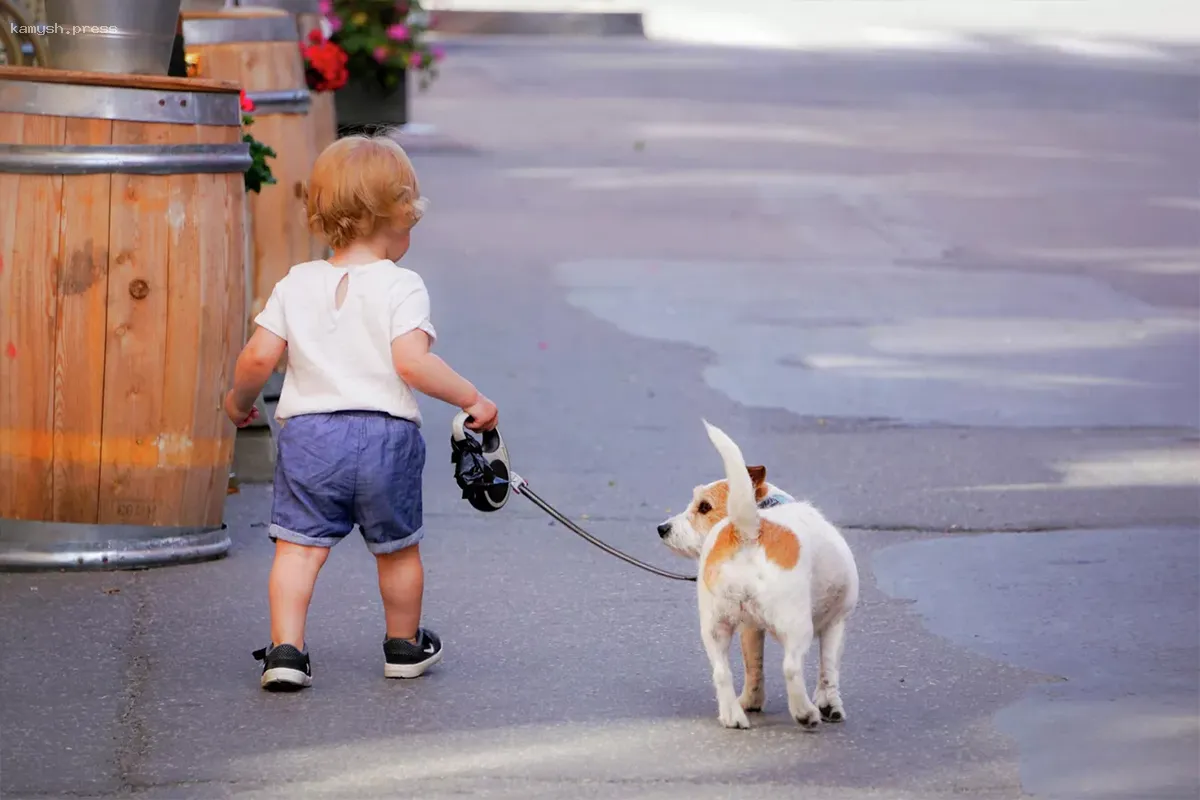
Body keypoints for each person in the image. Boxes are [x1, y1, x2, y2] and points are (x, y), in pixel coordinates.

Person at [223, 133, 499, 691]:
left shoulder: (297, 283)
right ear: (398, 218)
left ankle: (286, 651)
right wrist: (472, 398)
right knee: (397, 552)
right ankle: (403, 645)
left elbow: (258, 355)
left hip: (310, 437)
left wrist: (238, 403)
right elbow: (412, 364)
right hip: (385, 438)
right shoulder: (402, 286)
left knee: (298, 551)